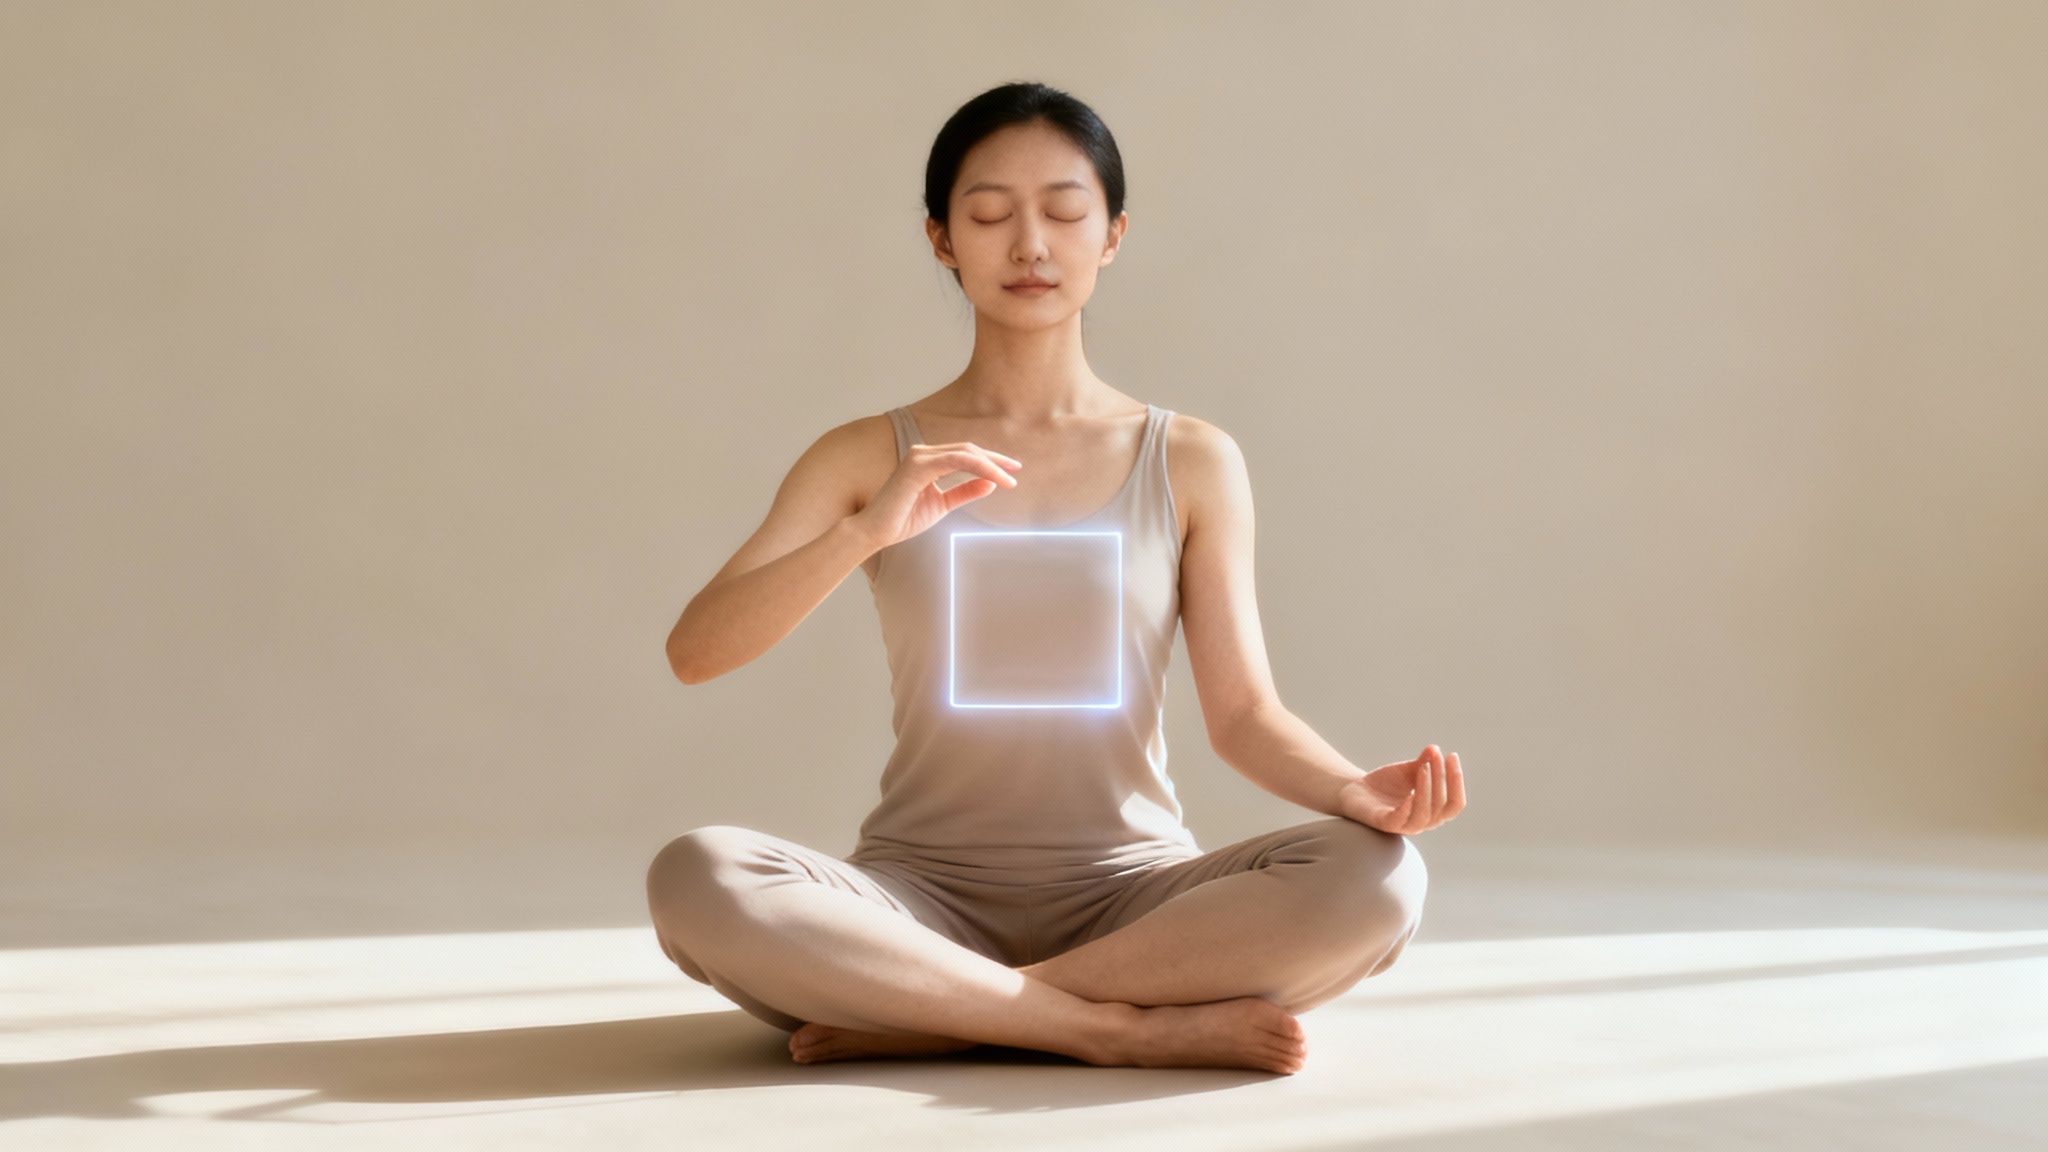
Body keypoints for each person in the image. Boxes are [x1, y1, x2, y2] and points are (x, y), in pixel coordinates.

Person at [650, 81, 1466, 1075]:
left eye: (1064, 211)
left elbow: (1243, 715)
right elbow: (697, 651)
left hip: (1136, 897)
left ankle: (939, 1012)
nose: (1028, 244)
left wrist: (1353, 790)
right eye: (988, 214)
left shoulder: (1190, 459)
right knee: (698, 875)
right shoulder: (867, 455)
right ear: (941, 240)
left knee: (1379, 879)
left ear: (1112, 233)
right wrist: (866, 531)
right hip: (916, 898)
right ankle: (1104, 1026)